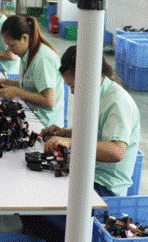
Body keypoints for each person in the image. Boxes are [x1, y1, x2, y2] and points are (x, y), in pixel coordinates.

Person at [41, 45, 141, 198]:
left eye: (74, 86)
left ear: (89, 75)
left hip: (104, 186)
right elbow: (97, 131)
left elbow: (117, 151)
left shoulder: (117, 101)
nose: (72, 92)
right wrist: (65, 133)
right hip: (86, 171)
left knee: (45, 198)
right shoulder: (94, 94)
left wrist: (72, 143)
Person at [0, 15, 64, 128]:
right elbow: (31, 83)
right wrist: (8, 82)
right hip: (32, 113)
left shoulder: (42, 59)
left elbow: (50, 101)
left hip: (44, 124)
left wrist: (18, 92)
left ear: (25, 38)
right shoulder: (27, 53)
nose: (10, 50)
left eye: (12, 45)